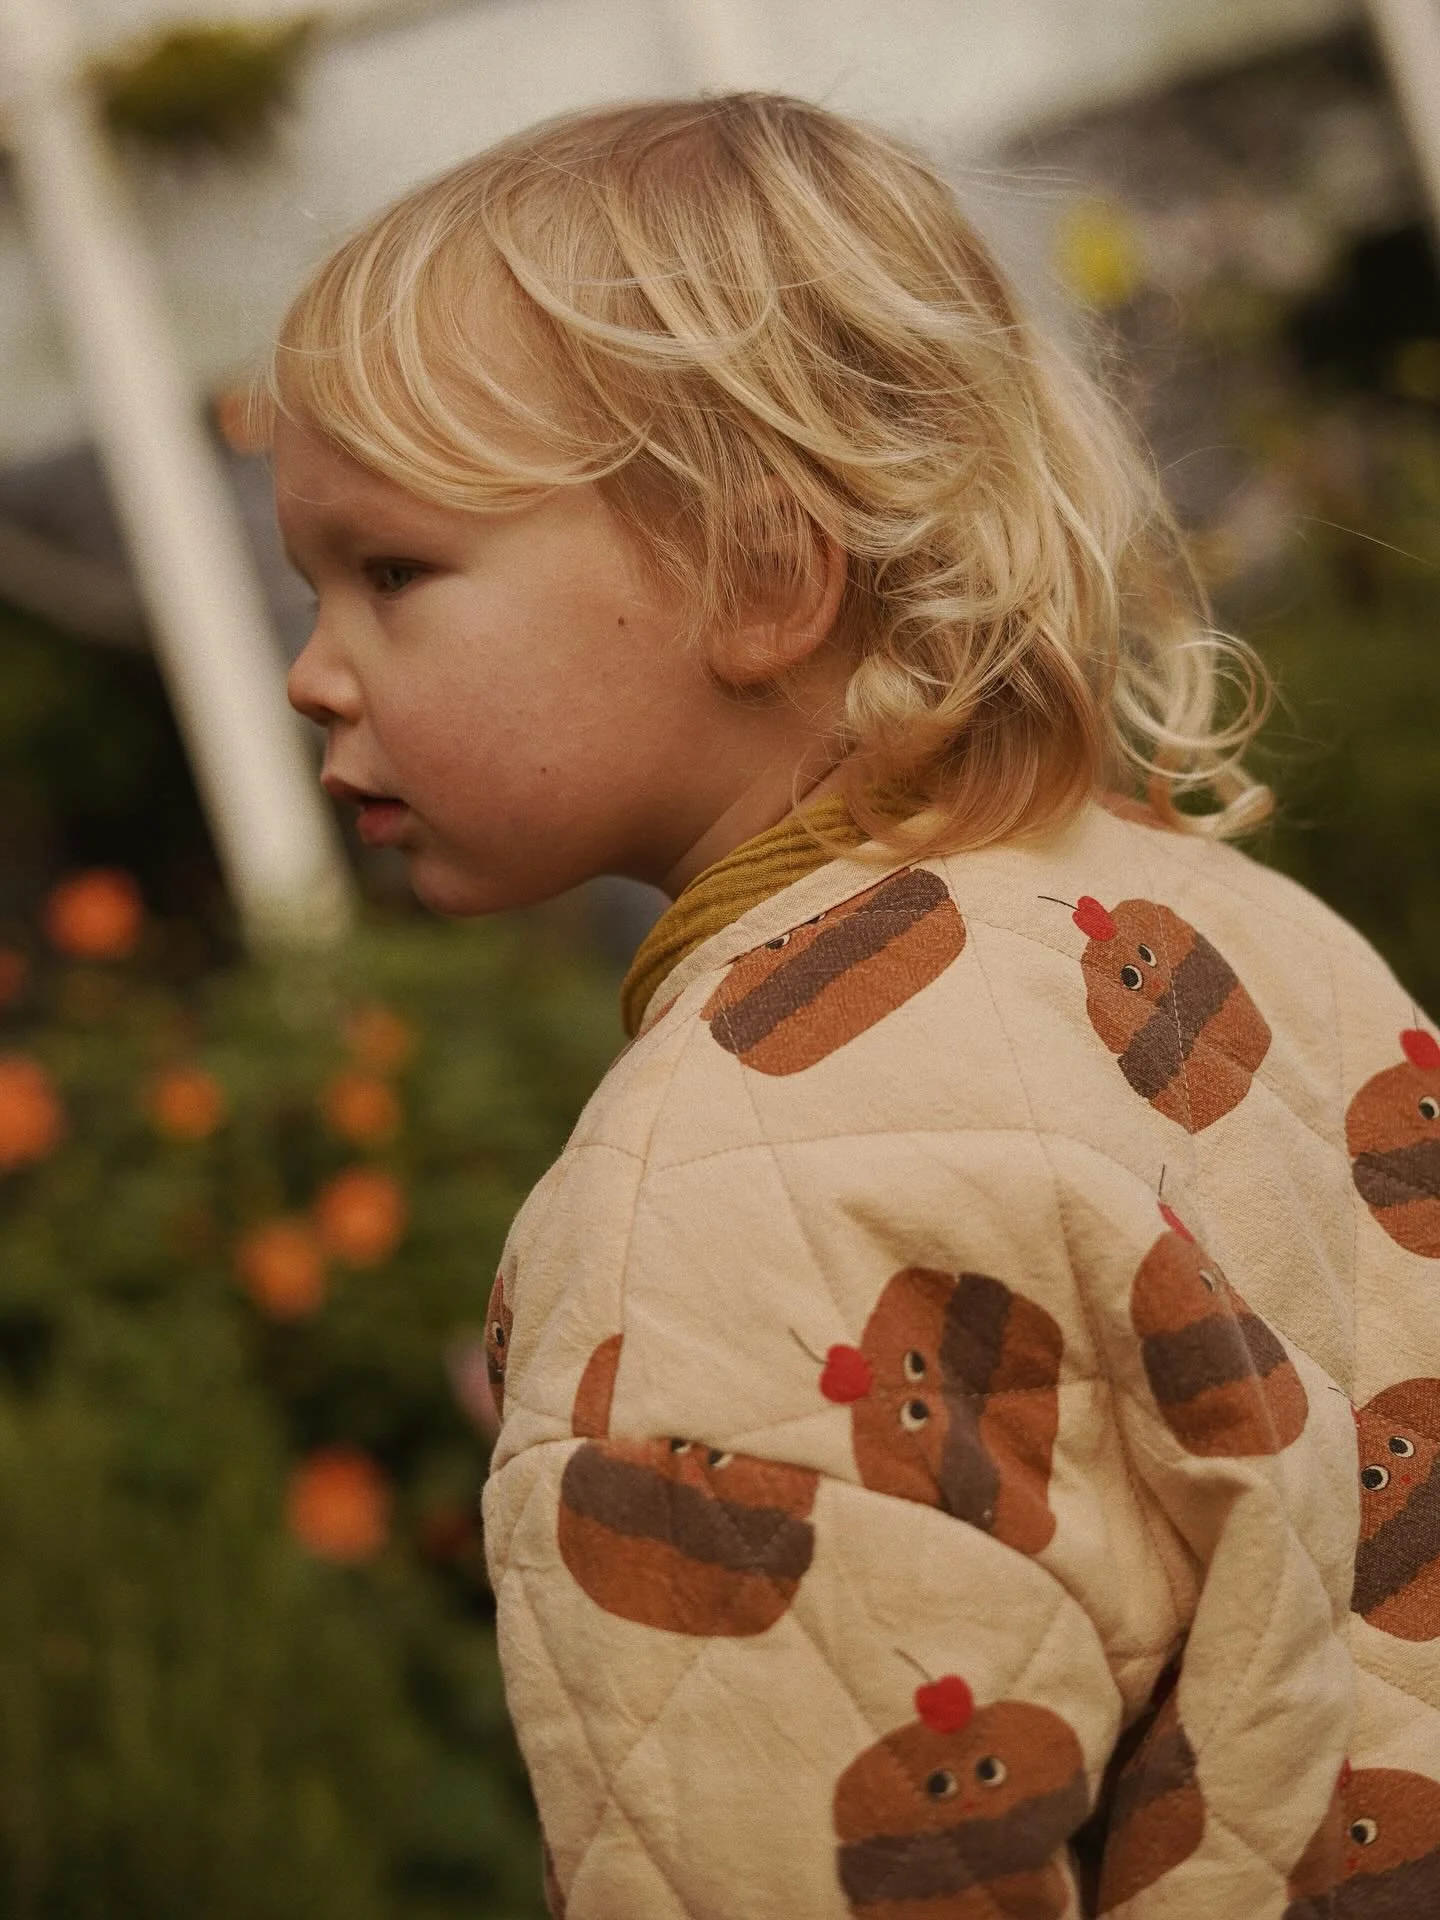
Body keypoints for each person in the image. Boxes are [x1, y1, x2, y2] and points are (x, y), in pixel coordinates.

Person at [271, 94, 1440, 1919]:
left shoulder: (720, 1174)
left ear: (760, 576)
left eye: (394, 571)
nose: (310, 670)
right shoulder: (1221, 921)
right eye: (309, 580)